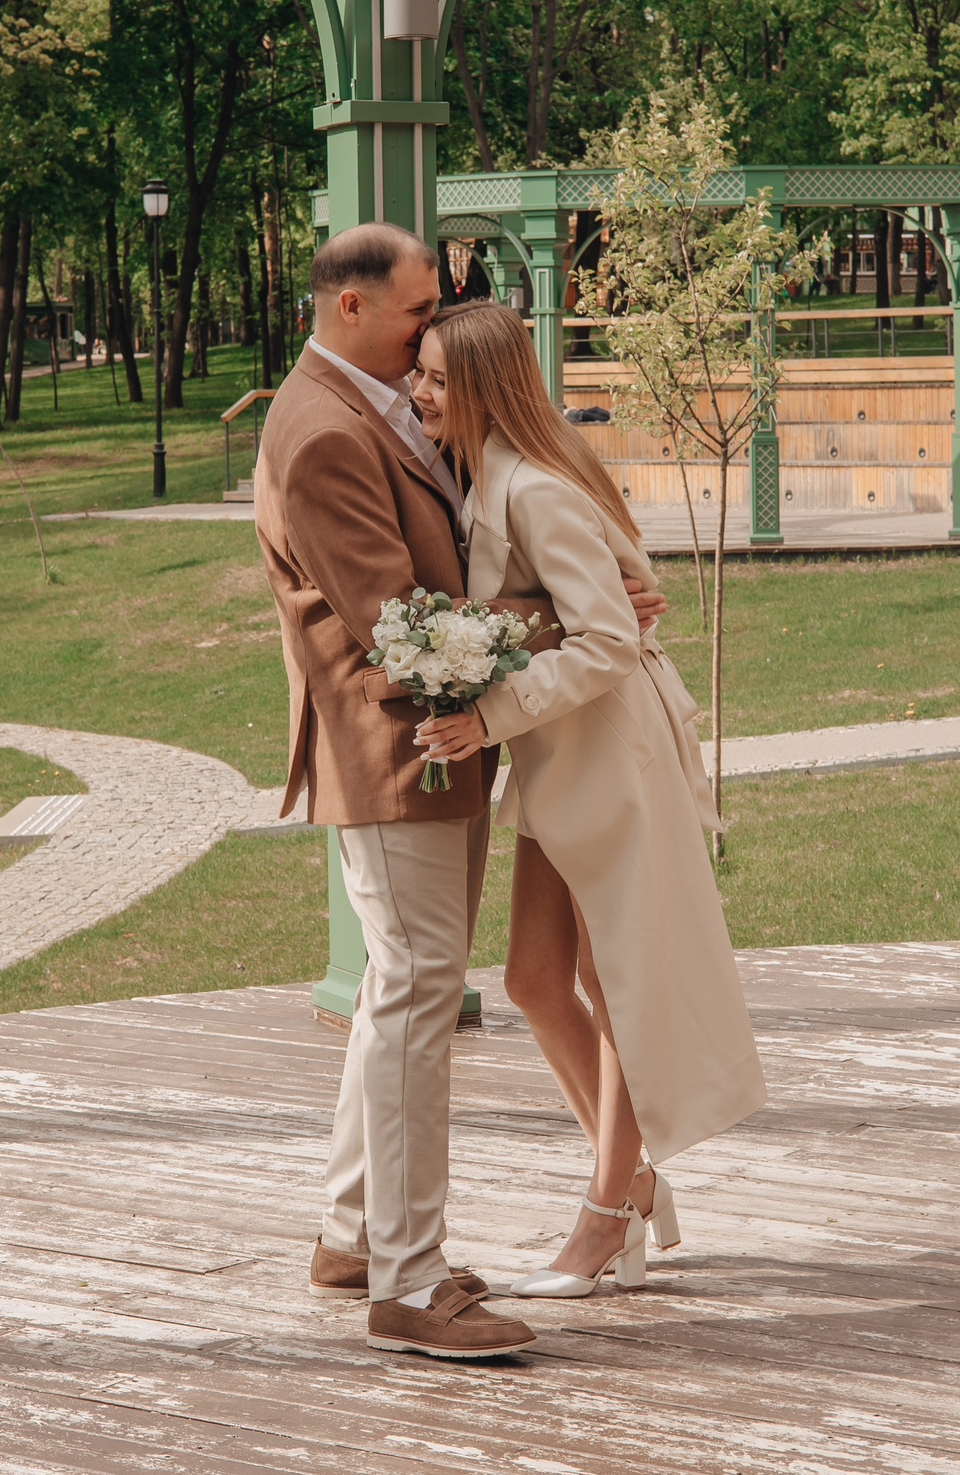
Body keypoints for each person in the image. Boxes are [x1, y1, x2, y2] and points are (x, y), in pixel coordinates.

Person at [253, 222, 667, 1358]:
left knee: (402, 985)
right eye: (415, 310)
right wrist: (570, 620)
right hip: (400, 752)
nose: (432, 324)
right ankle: (409, 1281)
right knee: (417, 997)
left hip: (434, 748)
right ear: (349, 310)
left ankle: (353, 1237)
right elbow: (403, 626)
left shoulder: (356, 407)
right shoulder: (322, 435)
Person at [413, 300, 767, 1298]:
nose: (420, 393)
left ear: (480, 386)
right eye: (419, 374)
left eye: (437, 378)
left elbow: (611, 640)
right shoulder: (487, 474)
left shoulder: (534, 487)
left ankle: (606, 1214)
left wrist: (487, 718)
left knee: (615, 986)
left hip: (610, 756)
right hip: (557, 762)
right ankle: (635, 1180)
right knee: (532, 979)